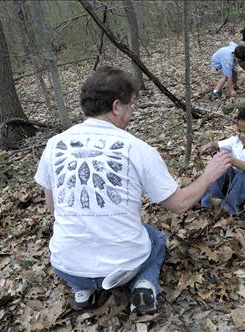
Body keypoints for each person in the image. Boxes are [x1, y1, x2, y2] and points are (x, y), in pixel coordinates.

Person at [34, 66, 232, 315]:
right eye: (131, 106)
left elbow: (52, 207)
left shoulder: (54, 145)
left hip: (67, 265)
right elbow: (179, 204)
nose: (131, 113)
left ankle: (83, 290)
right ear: (117, 106)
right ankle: (145, 284)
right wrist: (208, 175)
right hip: (124, 265)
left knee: (77, 252)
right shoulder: (136, 148)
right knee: (157, 238)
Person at [199, 105, 245, 215]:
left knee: (243, 175)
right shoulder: (236, 141)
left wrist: (232, 160)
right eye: (239, 131)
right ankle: (210, 199)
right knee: (223, 168)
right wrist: (208, 146)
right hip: (238, 185)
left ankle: (229, 208)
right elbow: (218, 145)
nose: (242, 135)